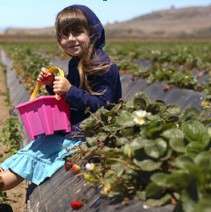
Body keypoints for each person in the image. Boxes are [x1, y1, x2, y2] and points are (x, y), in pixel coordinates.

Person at [0, 4, 122, 190]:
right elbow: (69, 104)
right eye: (65, 35)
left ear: (92, 32)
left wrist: (70, 90)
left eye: (77, 32)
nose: (71, 39)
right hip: (71, 130)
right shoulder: (75, 64)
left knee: (23, 165)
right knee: (25, 155)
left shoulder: (103, 66)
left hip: (88, 136)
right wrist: (52, 85)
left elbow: (104, 108)